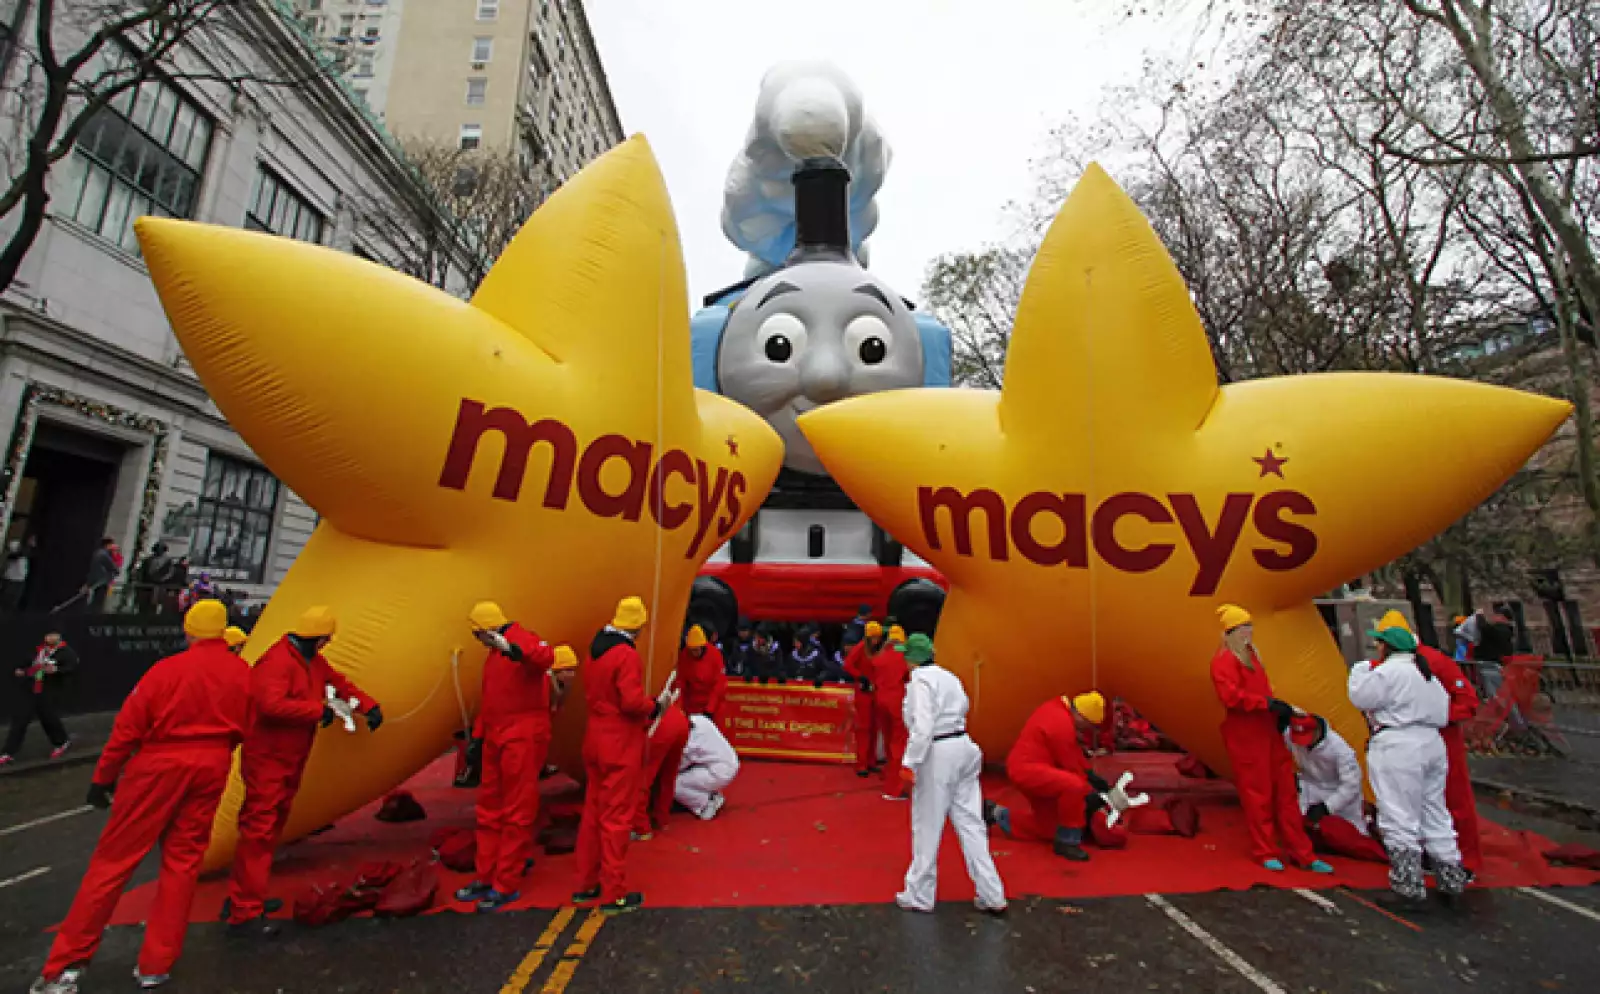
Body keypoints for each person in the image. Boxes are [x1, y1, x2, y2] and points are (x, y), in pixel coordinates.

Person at [30, 600, 250, 992]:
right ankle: (156, 963)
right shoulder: (241, 674)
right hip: (212, 765)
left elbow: (127, 729)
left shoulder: (165, 671)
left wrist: (104, 779)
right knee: (183, 865)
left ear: (189, 630)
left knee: (113, 863)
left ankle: (66, 965)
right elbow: (248, 726)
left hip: (159, 765)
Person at [224, 606, 382, 936]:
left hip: (288, 757)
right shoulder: (279, 662)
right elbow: (269, 704)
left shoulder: (308, 660)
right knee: (259, 830)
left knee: (268, 827)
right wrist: (315, 711)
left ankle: (245, 897)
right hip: (268, 757)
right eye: (324, 640)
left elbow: (337, 682)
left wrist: (367, 705)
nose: (325, 646)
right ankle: (244, 911)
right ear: (317, 638)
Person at [1349, 624, 1469, 910]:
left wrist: (1359, 670)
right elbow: (1443, 710)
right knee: (1434, 811)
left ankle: (1407, 885)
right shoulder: (1426, 675)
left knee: (1398, 813)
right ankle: (1451, 878)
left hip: (1398, 744)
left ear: (1385, 647)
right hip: (1431, 743)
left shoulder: (1387, 673)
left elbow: (1360, 697)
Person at [452, 602, 561, 912]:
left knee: (516, 810)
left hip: (521, 738)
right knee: (489, 808)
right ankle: (488, 875)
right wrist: (478, 738)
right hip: (500, 736)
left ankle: (506, 882)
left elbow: (544, 657)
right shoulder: (496, 655)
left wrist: (514, 649)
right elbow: (491, 702)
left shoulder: (520, 642)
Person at [1209, 604, 1332, 873]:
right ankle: (1266, 850)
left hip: (1267, 730)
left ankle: (1301, 852)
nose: (1250, 631)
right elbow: (1231, 697)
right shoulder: (1226, 660)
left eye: (1249, 626)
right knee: (1258, 794)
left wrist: (1276, 710)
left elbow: (1252, 695)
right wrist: (1268, 704)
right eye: (1245, 626)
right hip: (1247, 735)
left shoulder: (1251, 656)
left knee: (1286, 792)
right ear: (1233, 631)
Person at [894, 633, 1007, 915]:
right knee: (971, 824)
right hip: (963, 746)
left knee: (927, 826)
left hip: (938, 751)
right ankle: (991, 892)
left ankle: (919, 894)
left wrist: (910, 762)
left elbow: (923, 726)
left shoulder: (919, 682)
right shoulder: (949, 677)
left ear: (911, 658)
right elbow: (965, 707)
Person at [574, 595, 670, 914]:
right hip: (619, 742)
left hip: (595, 736)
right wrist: (655, 706)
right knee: (616, 818)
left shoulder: (594, 650)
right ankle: (614, 891)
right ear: (638, 627)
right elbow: (631, 702)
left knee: (592, 814)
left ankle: (586, 883)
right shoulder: (625, 656)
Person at [1375, 610, 1482, 873]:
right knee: (1412, 802)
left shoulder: (1434, 662)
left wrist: (1435, 716)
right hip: (1411, 740)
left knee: (1451, 799)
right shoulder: (1387, 666)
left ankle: (1462, 861)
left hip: (1441, 739)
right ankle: (1431, 857)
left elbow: (1467, 701)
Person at [987, 692, 1110, 862]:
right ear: (1081, 716)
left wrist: (1089, 774)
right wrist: (1091, 788)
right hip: (1029, 770)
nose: (1086, 730)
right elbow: (1070, 761)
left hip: (1028, 768)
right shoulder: (1062, 725)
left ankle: (994, 813)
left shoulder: (1057, 711)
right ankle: (1068, 841)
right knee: (1075, 786)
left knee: (1050, 828)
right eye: (1088, 725)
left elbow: (1071, 753)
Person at [2, 632, 78, 765]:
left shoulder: (65, 652)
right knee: (20, 719)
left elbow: (71, 667)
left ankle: (62, 742)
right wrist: (21, 670)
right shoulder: (40, 649)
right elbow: (28, 663)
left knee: (49, 719)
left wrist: (56, 670)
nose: (49, 638)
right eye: (47, 635)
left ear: (59, 636)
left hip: (48, 690)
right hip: (30, 689)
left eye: (52, 635)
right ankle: (8, 752)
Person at [1284, 714, 1365, 833]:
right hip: (1309, 788)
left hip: (1339, 794)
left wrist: (1327, 807)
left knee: (1351, 835)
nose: (1303, 744)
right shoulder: (1290, 736)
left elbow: (1352, 786)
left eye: (1306, 738)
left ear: (1317, 731)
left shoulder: (1340, 750)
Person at [634, 697, 691, 841]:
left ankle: (641, 828)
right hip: (678, 720)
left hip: (660, 722)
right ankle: (662, 819)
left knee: (643, 777)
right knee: (668, 776)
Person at [676, 712, 741, 819]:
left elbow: (678, 767)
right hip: (728, 760)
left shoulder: (690, 743)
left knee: (675, 785)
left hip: (720, 772)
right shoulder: (699, 719)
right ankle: (712, 794)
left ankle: (705, 803)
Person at [872, 625, 911, 800]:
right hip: (897, 702)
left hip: (880, 700)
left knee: (888, 742)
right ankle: (895, 788)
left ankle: (889, 778)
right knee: (899, 744)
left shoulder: (879, 657)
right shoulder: (904, 657)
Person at [843, 621, 886, 777]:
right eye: (874, 638)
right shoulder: (860, 648)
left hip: (876, 691)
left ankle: (871, 761)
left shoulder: (879, 649)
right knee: (864, 728)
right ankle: (861, 764)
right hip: (864, 693)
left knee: (875, 727)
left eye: (878, 638)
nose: (877, 640)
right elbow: (847, 665)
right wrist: (860, 677)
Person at [676, 625, 728, 722]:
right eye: (691, 650)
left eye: (695, 650)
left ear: (702, 646)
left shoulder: (715, 655)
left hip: (713, 707)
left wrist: (709, 710)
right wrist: (680, 708)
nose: (693, 653)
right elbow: (681, 683)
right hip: (692, 706)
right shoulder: (685, 655)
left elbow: (719, 685)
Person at [82, 537, 121, 612]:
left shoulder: (97, 553)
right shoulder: (103, 554)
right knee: (98, 603)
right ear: (108, 545)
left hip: (95, 581)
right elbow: (114, 569)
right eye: (112, 544)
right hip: (101, 582)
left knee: (93, 601)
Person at [3, 537, 30, 611]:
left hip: (17, 580)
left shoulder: (20, 556)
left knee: (11, 601)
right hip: (13, 580)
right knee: (8, 600)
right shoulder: (16, 557)